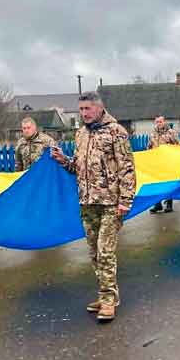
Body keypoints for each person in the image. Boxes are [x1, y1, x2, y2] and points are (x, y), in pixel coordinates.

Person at [51, 93, 136, 322]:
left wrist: (125, 201)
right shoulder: (81, 134)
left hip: (110, 203)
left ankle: (108, 300)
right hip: (87, 203)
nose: (83, 113)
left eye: (87, 108)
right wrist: (63, 160)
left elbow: (127, 168)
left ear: (99, 108)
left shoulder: (116, 132)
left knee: (105, 252)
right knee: (95, 253)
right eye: (81, 109)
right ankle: (106, 294)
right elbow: (77, 168)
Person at [147, 115, 180, 213]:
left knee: (168, 183)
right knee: (156, 184)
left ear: (164, 122)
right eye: (157, 122)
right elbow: (149, 147)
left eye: (160, 121)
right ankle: (157, 204)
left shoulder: (171, 132)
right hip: (157, 163)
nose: (159, 123)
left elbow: (179, 144)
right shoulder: (153, 134)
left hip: (168, 163)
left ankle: (169, 204)